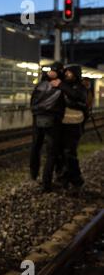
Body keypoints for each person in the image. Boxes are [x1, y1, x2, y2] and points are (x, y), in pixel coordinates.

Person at [29, 62, 65, 192]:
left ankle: (33, 174)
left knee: (35, 147)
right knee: (52, 153)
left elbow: (32, 101)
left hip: (38, 118)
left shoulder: (41, 85)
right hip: (53, 121)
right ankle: (47, 182)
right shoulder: (61, 86)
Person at [52, 65, 88, 193]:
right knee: (60, 153)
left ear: (76, 74)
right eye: (66, 72)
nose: (67, 74)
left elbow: (78, 96)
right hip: (62, 124)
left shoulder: (80, 87)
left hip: (74, 125)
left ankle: (77, 181)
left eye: (70, 72)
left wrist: (62, 86)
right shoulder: (64, 85)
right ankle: (63, 179)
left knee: (70, 154)